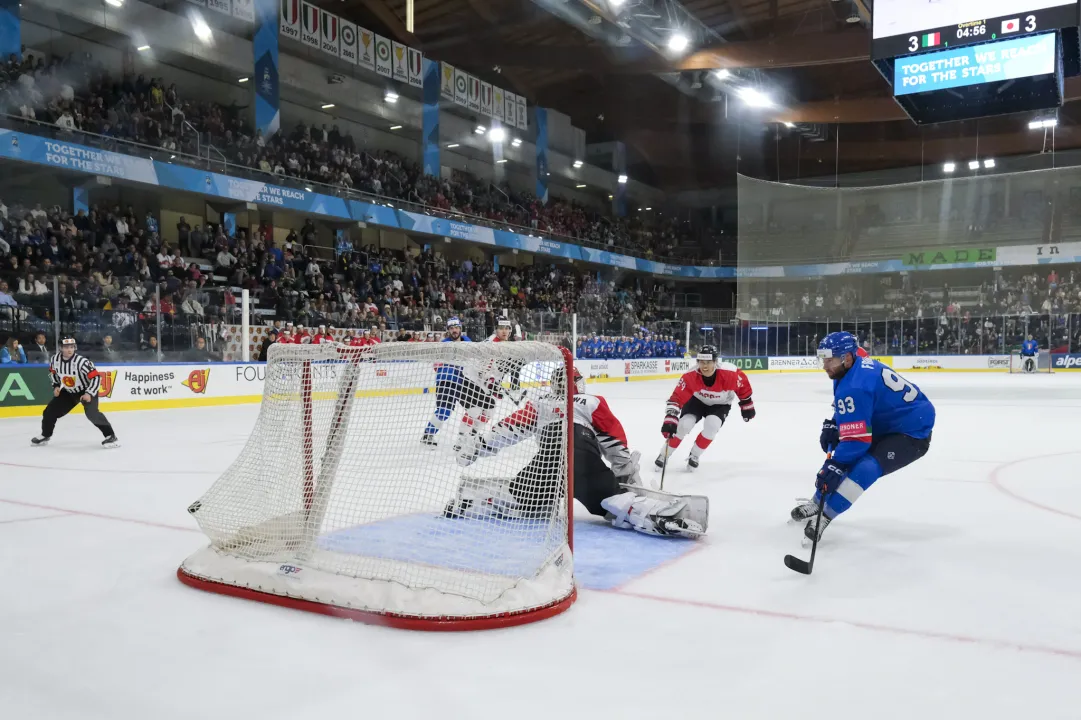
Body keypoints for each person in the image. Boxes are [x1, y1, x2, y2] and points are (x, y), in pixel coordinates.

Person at [451, 366, 706, 538]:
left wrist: (479, 446)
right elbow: (613, 439)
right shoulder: (591, 400)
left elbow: (510, 429)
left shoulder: (540, 403)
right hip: (580, 455)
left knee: (529, 501)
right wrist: (626, 474)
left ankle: (475, 500)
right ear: (578, 383)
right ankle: (658, 515)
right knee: (610, 502)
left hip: (550, 457)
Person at [796, 331, 935, 542]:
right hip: (888, 420)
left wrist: (835, 465)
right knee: (845, 461)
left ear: (847, 358)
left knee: (864, 467)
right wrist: (836, 421)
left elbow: (857, 442)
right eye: (823, 360)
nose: (825, 366)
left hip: (912, 431)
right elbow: (853, 402)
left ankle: (825, 515)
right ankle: (816, 503)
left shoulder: (855, 386)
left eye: (830, 360)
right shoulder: (852, 363)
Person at [657, 345, 756, 471]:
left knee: (712, 426)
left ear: (715, 362)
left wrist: (747, 404)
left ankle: (695, 455)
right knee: (684, 425)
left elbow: (743, 386)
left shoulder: (729, 374)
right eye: (701, 362)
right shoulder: (690, 376)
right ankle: (664, 454)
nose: (704, 366)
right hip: (696, 402)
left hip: (720, 405)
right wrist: (670, 418)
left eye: (708, 362)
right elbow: (677, 397)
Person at [32, 337, 119, 448]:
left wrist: (89, 393)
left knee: (92, 414)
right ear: (61, 348)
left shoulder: (81, 362)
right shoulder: (55, 359)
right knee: (49, 411)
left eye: (72, 347)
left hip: (86, 390)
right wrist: (56, 385)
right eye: (66, 347)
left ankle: (110, 436)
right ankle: (45, 435)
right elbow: (53, 373)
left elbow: (96, 377)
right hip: (69, 391)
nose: (70, 349)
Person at [421, 317, 487, 446]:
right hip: (447, 381)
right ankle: (428, 434)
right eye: (451, 328)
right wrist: (449, 365)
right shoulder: (443, 345)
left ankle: (468, 436)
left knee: (474, 410)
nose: (454, 330)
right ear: (448, 330)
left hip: (464, 382)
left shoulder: (469, 343)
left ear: (460, 329)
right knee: (444, 411)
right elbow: (436, 366)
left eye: (456, 328)